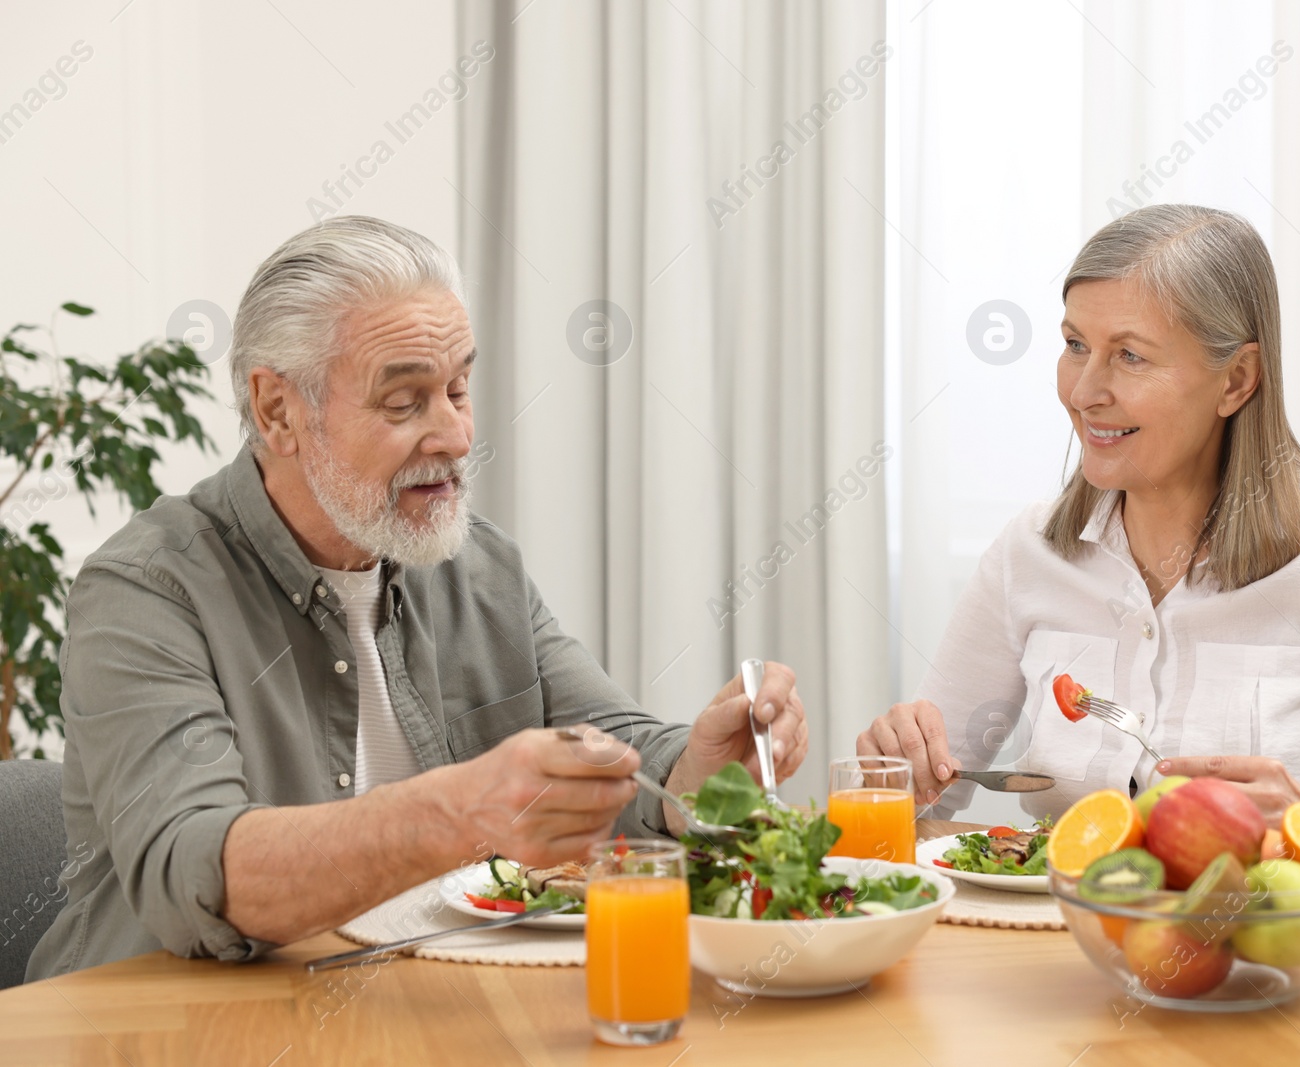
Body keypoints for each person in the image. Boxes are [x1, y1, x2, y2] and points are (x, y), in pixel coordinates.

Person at [26, 217, 809, 979]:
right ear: (277, 410)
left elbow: (607, 742)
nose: (456, 435)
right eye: (404, 403)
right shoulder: (146, 589)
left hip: (414, 1011)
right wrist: (456, 814)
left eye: (460, 388)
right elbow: (195, 873)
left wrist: (690, 777)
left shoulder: (481, 566)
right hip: (163, 1036)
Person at [859, 203, 1300, 879]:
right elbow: (918, 807)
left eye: (1130, 356)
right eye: (1076, 345)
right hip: (1055, 974)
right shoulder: (1030, 554)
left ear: (1236, 379)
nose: (1084, 390)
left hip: (1268, 976)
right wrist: (894, 773)